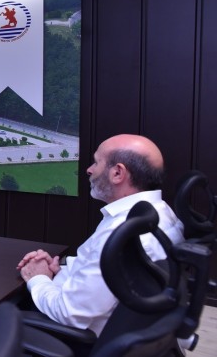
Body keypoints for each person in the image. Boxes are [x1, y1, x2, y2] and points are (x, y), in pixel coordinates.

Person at [16, 134, 184, 337]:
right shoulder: (158, 212)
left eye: (96, 162)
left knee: (0, 314)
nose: (89, 169)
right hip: (124, 327)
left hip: (78, 336)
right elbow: (99, 274)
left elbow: (69, 313)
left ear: (117, 173)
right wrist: (60, 271)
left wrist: (38, 278)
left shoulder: (123, 235)